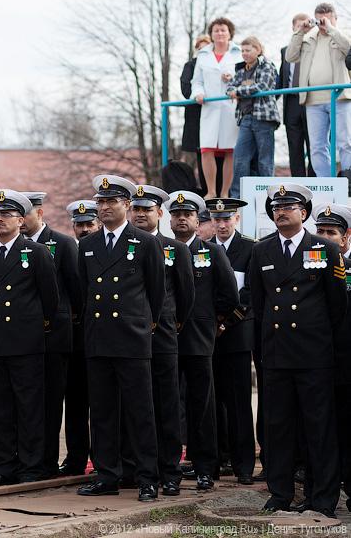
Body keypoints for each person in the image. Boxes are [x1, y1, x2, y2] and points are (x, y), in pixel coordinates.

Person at [249, 184, 346, 517]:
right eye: (276, 207)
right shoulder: (261, 252)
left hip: (314, 355)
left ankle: (322, 498)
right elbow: (258, 306)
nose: (281, 211)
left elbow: (337, 307)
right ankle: (280, 493)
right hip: (277, 356)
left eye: (289, 206)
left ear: (304, 213)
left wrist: (323, 345)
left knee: (319, 430)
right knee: (279, 429)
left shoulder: (323, 249)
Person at [76, 176, 164, 502]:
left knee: (140, 411)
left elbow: (156, 294)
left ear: (127, 205)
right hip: (99, 339)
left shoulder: (144, 242)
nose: (104, 208)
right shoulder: (87, 245)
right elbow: (82, 292)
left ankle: (146, 478)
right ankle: (107, 475)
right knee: (101, 412)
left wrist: (143, 325)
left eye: (111, 202)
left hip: (131, 338)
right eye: (100, 202)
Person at [0, 189, 58, 487]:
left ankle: (31, 465)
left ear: (21, 220)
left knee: (29, 407)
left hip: (26, 343)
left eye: (6, 215)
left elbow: (50, 298)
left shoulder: (35, 253)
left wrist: (37, 327)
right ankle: (3, 465)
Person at [166, 191, 239, 492]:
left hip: (198, 339)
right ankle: (170, 465)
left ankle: (205, 466)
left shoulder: (210, 252)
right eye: (176, 214)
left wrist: (216, 324)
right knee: (170, 404)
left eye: (188, 214)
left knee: (202, 405)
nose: (181, 218)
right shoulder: (161, 249)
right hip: (166, 339)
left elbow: (229, 294)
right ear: (169, 219)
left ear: (198, 220)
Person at [127, 186, 194, 496]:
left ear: (159, 214)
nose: (141, 214)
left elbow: (185, 296)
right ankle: (140, 470)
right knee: (138, 408)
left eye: (147, 209)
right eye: (136, 209)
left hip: (163, 336)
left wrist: (169, 323)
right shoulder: (126, 244)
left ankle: (169, 472)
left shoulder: (175, 249)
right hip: (130, 338)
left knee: (167, 407)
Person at [21, 191, 83, 476]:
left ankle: (61, 459)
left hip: (56, 338)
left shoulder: (62, 243)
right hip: (24, 339)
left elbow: (76, 291)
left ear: (40, 214)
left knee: (57, 402)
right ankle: (34, 459)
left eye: (26, 214)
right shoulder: (14, 246)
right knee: (31, 403)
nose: (21, 220)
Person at [206, 198, 257, 485]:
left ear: (236, 219)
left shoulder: (250, 248)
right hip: (207, 336)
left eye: (227, 219)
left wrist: (226, 322)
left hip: (235, 335)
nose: (222, 224)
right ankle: (216, 461)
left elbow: (250, 293)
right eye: (217, 219)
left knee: (238, 403)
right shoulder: (203, 248)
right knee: (212, 402)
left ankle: (244, 464)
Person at [311, 202, 351, 511]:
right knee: (323, 430)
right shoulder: (308, 264)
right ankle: (323, 494)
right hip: (320, 361)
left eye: (332, 232)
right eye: (320, 231)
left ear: (346, 236)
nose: (325, 237)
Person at [285, 3, 351, 178]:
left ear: (335, 19)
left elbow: (348, 49)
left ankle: (349, 178)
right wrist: (300, 31)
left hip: (339, 97)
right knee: (317, 146)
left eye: (328, 19)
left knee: (345, 142)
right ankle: (327, 183)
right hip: (313, 100)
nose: (322, 23)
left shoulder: (342, 36)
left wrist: (330, 29)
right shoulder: (308, 38)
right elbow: (290, 56)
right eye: (320, 19)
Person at [59, 199, 99, 476]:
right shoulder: (72, 251)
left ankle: (101, 458)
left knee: (101, 405)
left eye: (89, 224)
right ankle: (75, 458)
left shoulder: (107, 251)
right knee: (74, 405)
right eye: (79, 225)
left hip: (100, 339)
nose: (84, 229)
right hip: (74, 340)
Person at [191, 17, 243, 198]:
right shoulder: (203, 55)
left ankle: (225, 192)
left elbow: (245, 78)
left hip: (231, 107)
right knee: (207, 149)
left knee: (230, 150)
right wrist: (198, 93)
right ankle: (211, 192)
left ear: (230, 33)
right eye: (216, 30)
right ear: (211, 34)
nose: (220, 33)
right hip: (209, 107)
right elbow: (196, 81)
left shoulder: (238, 53)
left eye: (223, 30)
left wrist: (233, 80)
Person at [226, 37, 279, 197]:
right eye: (242, 50)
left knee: (265, 160)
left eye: (248, 50)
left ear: (258, 50)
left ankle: (268, 197)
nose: (244, 53)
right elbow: (229, 88)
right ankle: (236, 197)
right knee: (240, 159)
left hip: (263, 118)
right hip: (245, 118)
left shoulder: (267, 66)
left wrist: (239, 91)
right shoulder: (241, 70)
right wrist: (236, 90)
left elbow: (263, 86)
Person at [279, 14, 315, 177]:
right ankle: (299, 184)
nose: (302, 29)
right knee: (294, 146)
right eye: (299, 26)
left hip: (311, 100)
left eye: (305, 26)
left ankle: (315, 181)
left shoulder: (315, 48)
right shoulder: (285, 51)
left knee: (314, 144)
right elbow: (282, 78)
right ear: (293, 28)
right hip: (291, 102)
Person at [181, 35, 213, 193]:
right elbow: (186, 89)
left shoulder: (218, 65)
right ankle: (207, 192)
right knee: (203, 155)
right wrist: (201, 94)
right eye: (199, 49)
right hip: (197, 117)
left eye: (205, 48)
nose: (202, 52)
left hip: (216, 115)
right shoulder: (190, 65)